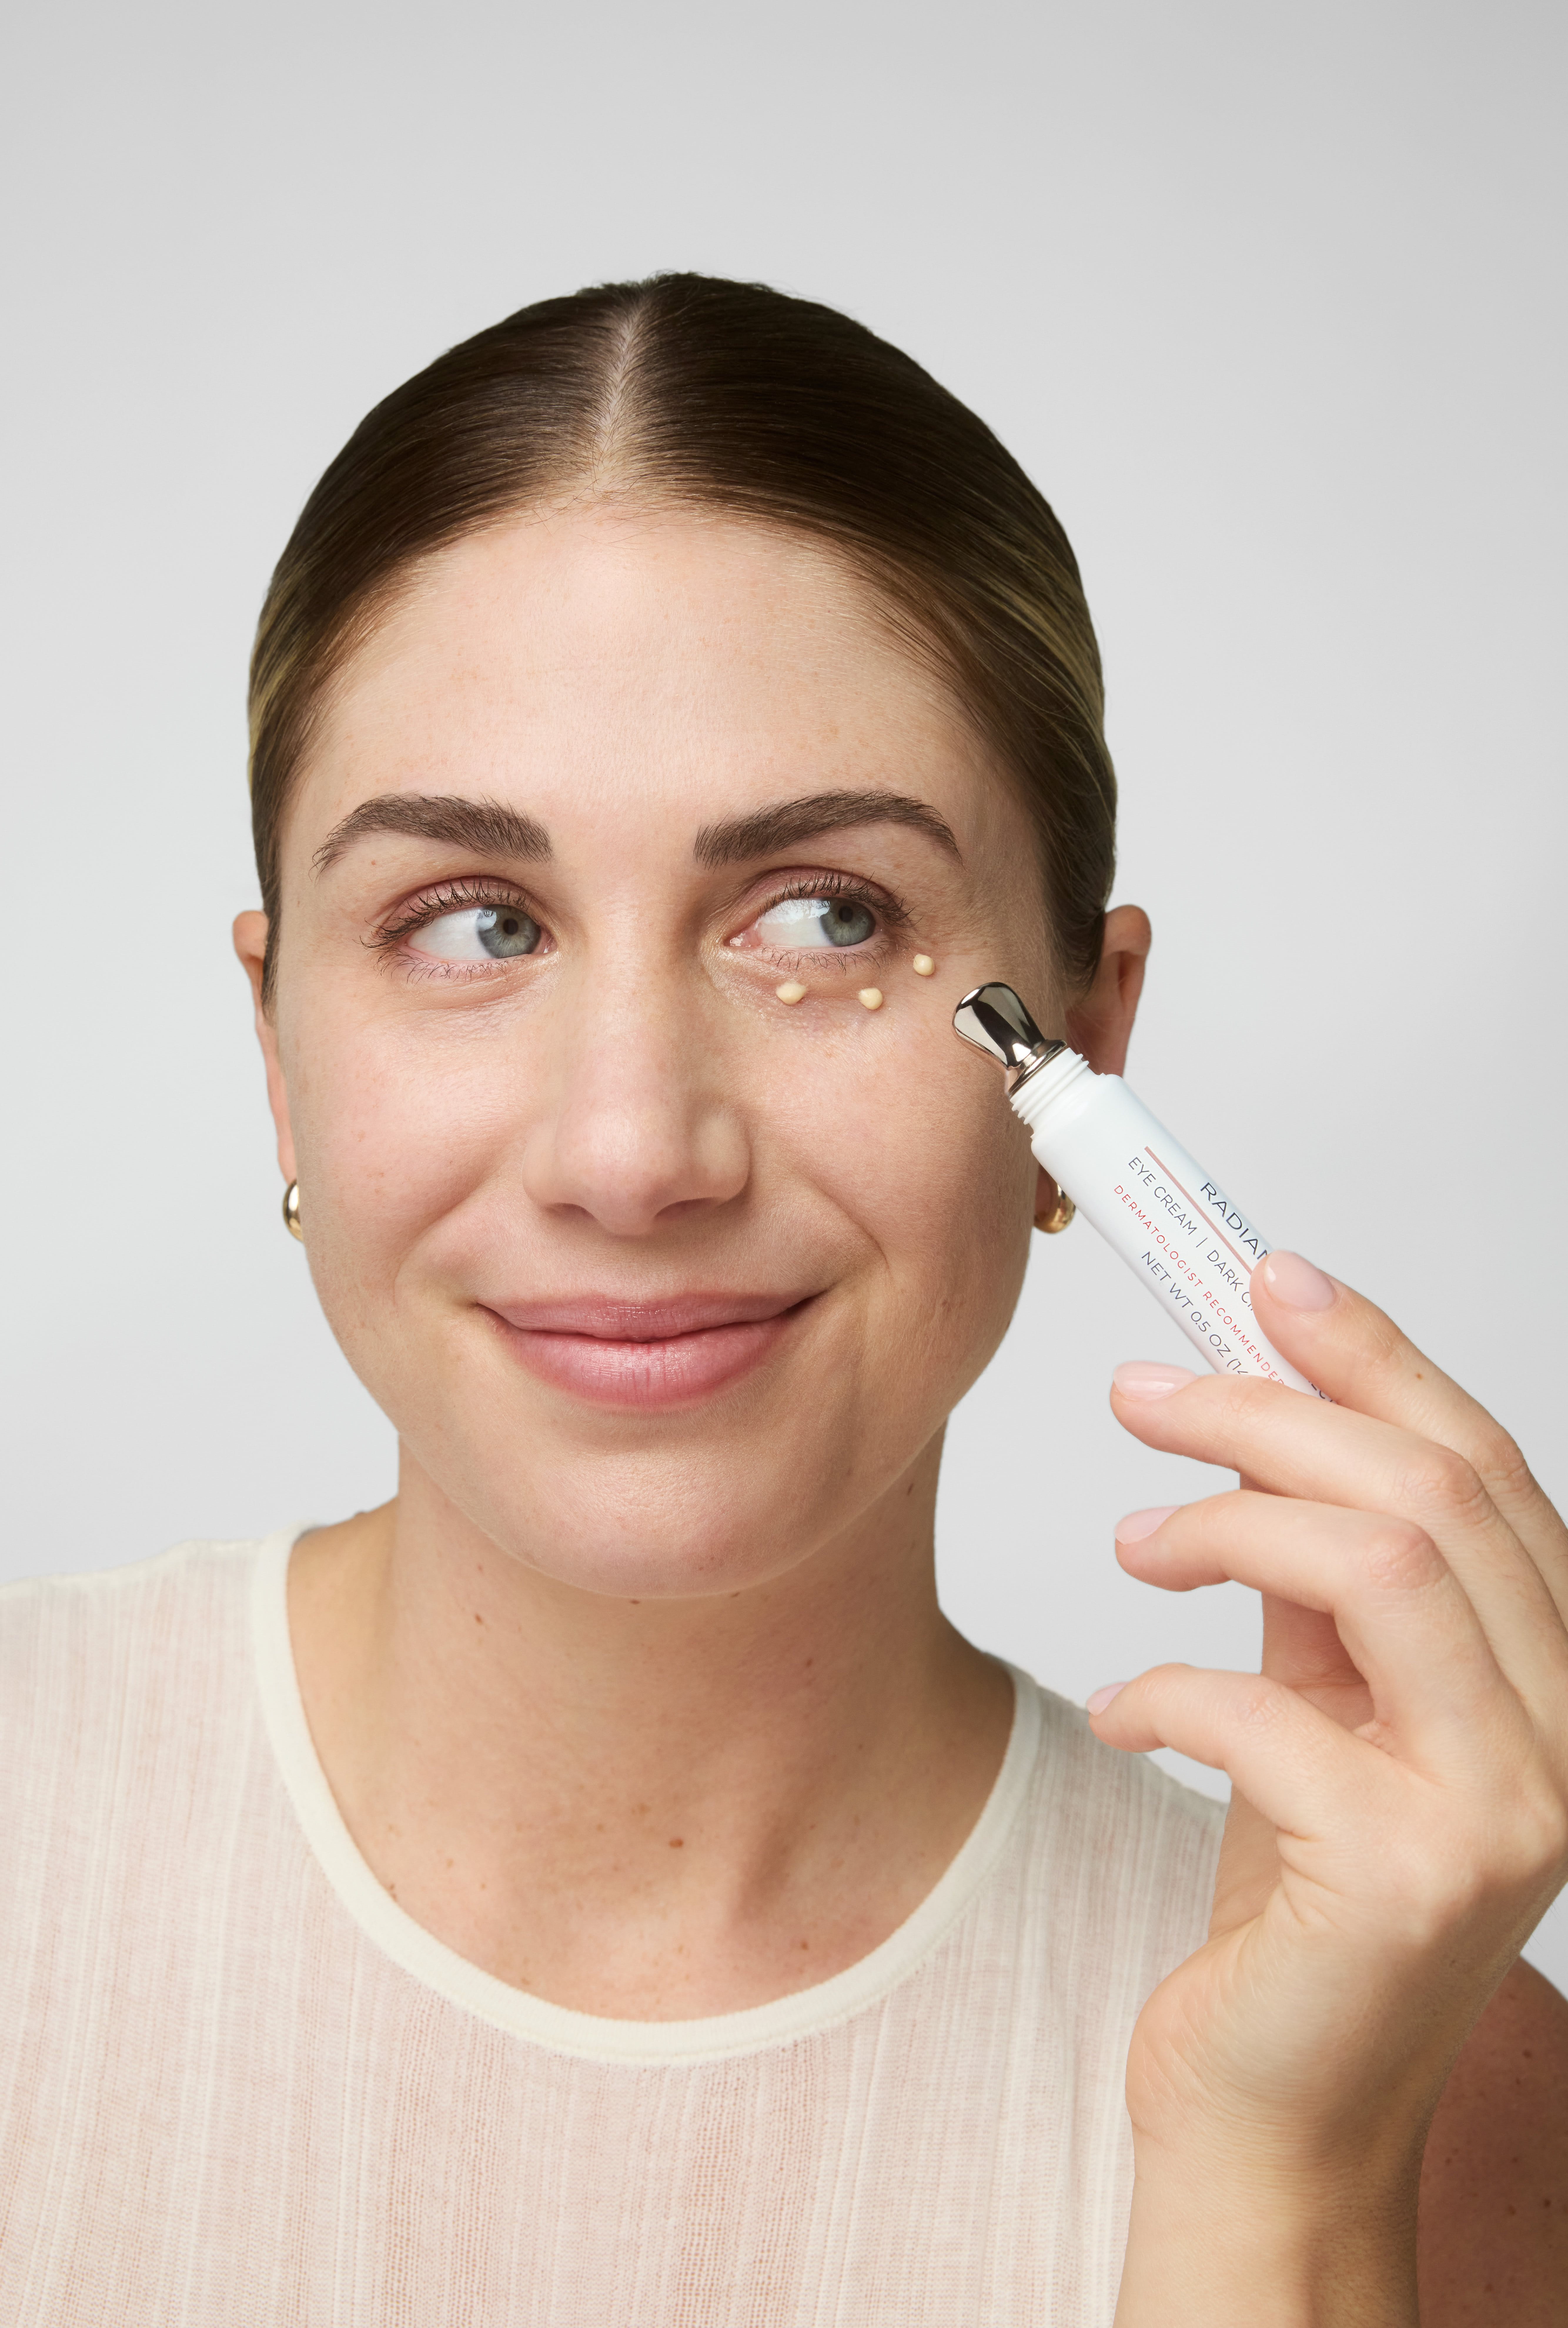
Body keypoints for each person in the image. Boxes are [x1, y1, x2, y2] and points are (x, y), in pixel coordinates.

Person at [3, 274, 1564, 2325]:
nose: (634, 1149)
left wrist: (1283, 2182)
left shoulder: (1435, 2087)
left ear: (1078, 1052)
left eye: (827, 918)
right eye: (473, 924)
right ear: (280, 1049)